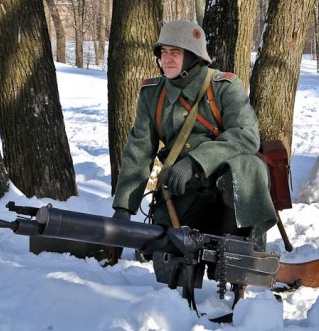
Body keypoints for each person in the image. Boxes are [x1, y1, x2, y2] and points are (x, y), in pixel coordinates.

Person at [110, 20, 277, 285]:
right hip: (182, 192)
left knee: (249, 167)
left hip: (226, 191)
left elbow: (247, 134)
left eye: (175, 53)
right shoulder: (153, 94)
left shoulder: (224, 86)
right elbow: (138, 151)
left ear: (192, 57)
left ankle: (247, 255)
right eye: (163, 52)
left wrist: (196, 161)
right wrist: (123, 211)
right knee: (170, 275)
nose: (167, 59)